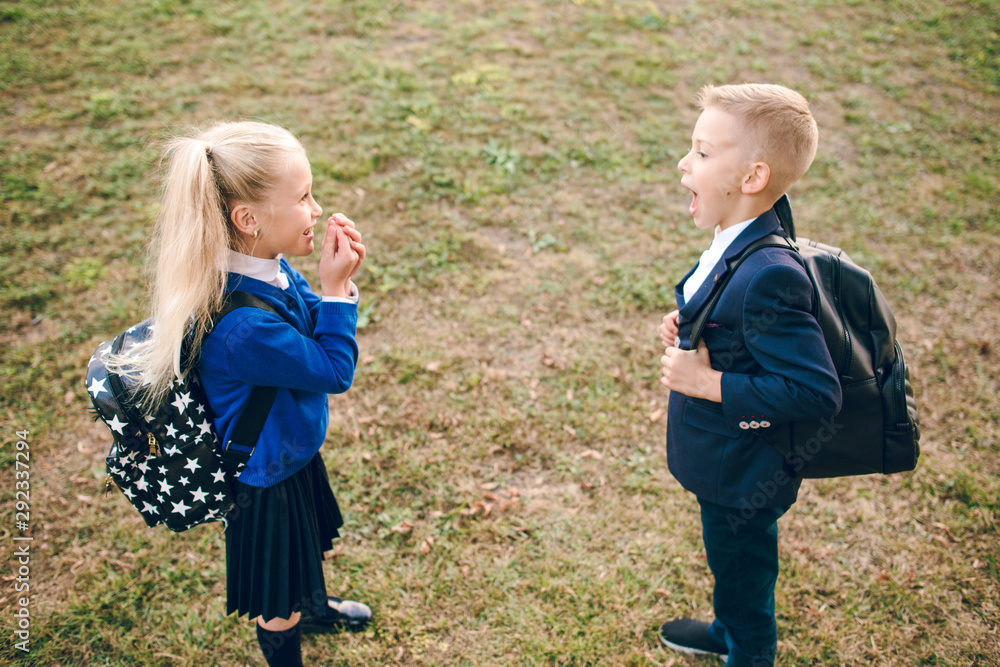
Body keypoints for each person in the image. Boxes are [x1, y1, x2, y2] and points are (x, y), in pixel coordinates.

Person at [112, 121, 371, 666]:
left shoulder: (266, 269)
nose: (317, 208)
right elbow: (331, 369)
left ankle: (315, 604)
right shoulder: (241, 328)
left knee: (302, 555)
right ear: (247, 219)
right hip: (264, 477)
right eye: (302, 198)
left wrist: (327, 289)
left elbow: (306, 325)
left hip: (288, 453)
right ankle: (289, 642)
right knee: (277, 596)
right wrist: (336, 292)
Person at [657, 84, 842, 666]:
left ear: (753, 176)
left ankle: (748, 651)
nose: (686, 164)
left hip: (745, 477)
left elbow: (816, 391)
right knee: (731, 562)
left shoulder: (769, 274)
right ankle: (729, 630)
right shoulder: (741, 228)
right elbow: (731, 304)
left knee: (742, 567)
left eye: (704, 153)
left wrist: (707, 383)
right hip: (727, 464)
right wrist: (694, 323)